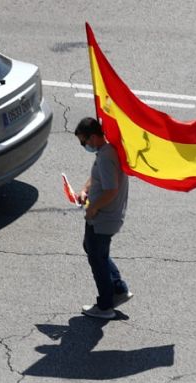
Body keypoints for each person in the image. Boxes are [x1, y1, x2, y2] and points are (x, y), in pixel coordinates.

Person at [74, 118, 132, 320]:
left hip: (102, 218)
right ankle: (118, 289)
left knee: (97, 259)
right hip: (106, 216)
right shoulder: (107, 150)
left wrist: (93, 209)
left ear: (93, 136)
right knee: (94, 250)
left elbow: (111, 189)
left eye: (84, 142)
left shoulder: (107, 157)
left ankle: (105, 306)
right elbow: (98, 177)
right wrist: (85, 190)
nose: (84, 146)